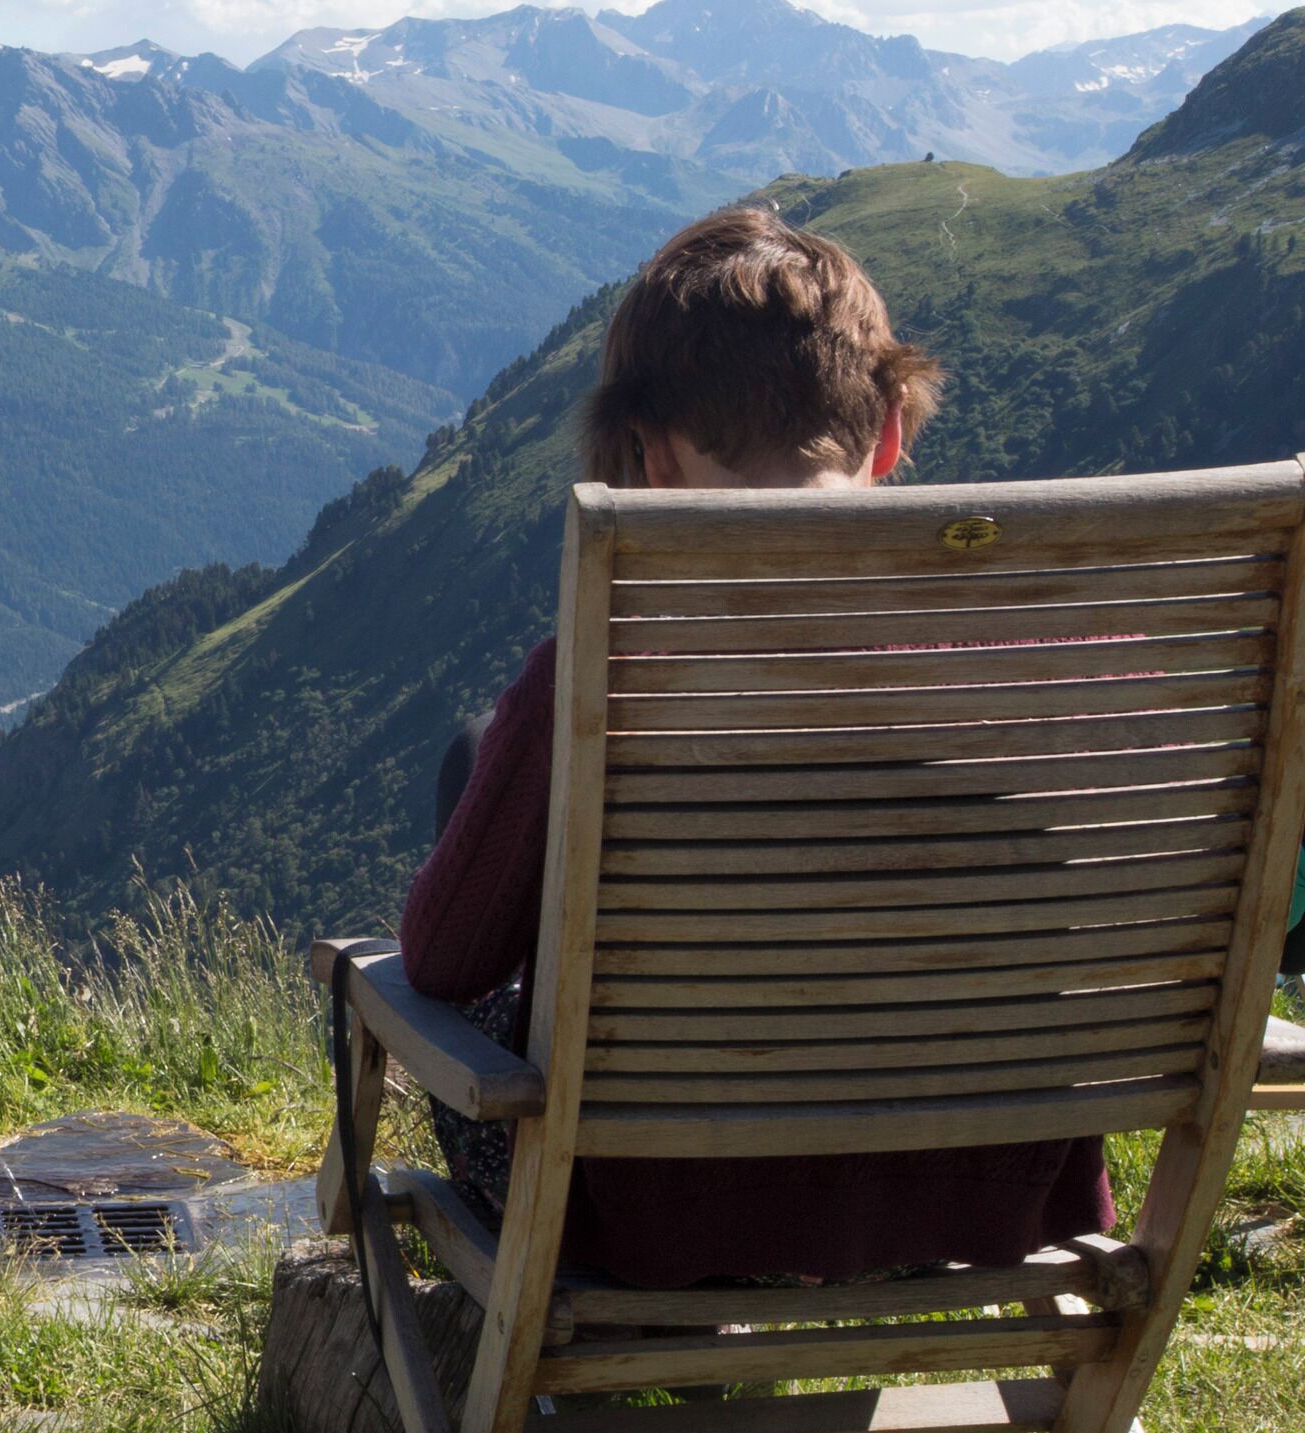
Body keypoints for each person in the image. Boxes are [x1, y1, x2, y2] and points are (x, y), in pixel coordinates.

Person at [399, 205, 1114, 1288]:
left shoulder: (594, 680)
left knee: (474, 794)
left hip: (650, 1215)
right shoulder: (1052, 681)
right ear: (888, 433)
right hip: (990, 1196)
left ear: (649, 456)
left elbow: (443, 961)